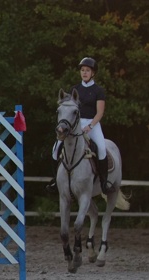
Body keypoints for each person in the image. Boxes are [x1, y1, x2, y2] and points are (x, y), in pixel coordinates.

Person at [46, 57, 115, 194]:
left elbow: (100, 113)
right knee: (56, 148)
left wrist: (90, 126)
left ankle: (104, 183)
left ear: (93, 73)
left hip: (92, 123)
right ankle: (55, 180)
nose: (84, 73)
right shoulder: (74, 89)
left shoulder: (98, 90)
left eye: (87, 70)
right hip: (74, 124)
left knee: (101, 148)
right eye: (82, 70)